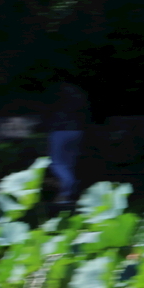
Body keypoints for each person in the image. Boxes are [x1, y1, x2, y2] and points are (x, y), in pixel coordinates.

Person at [45, 82, 90, 211]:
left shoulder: (56, 92)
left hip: (60, 130)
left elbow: (49, 110)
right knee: (69, 165)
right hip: (77, 130)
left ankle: (65, 194)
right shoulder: (77, 92)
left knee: (57, 164)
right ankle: (71, 194)